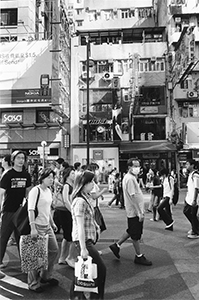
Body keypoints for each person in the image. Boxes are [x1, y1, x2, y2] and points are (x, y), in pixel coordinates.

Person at [70, 170, 106, 300]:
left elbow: (88, 219)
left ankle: (77, 296)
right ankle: (95, 297)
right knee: (100, 269)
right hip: (83, 241)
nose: (93, 184)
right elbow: (79, 225)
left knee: (83, 271)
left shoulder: (85, 197)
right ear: (83, 183)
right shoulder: (80, 201)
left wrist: (96, 227)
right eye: (90, 182)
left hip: (86, 240)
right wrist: (83, 247)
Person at [109, 158, 152, 266]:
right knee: (136, 235)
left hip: (133, 211)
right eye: (135, 166)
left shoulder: (130, 177)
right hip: (134, 211)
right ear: (129, 167)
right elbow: (133, 197)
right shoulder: (130, 179)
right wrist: (139, 212)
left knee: (131, 230)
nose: (138, 168)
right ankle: (138, 256)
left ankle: (116, 245)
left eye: (138, 166)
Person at [27, 168, 59, 293]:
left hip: (47, 226)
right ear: (42, 178)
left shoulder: (49, 190)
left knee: (54, 250)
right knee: (35, 256)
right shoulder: (36, 190)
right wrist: (33, 227)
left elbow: (47, 209)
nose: (51, 180)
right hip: (38, 226)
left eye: (52, 177)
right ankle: (33, 283)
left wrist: (52, 222)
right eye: (48, 177)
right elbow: (30, 210)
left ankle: (45, 276)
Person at [0, 151, 31, 269]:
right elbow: (1, 193)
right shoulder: (8, 174)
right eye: (18, 158)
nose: (21, 160)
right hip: (8, 210)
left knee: (22, 237)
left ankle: (25, 262)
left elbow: (28, 192)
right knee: (4, 237)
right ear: (13, 160)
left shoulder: (26, 175)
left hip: (21, 211)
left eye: (23, 158)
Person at [58, 166, 77, 267]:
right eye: (73, 173)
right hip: (66, 212)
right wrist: (73, 212)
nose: (74, 175)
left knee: (66, 236)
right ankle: (70, 257)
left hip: (66, 212)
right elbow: (66, 200)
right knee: (72, 235)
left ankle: (62, 257)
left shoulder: (72, 185)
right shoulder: (66, 186)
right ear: (68, 175)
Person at [183, 159, 199, 239]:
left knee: (193, 215)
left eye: (187, 164)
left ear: (192, 165)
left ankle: (196, 232)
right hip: (189, 198)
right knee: (187, 212)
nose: (186, 166)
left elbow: (196, 188)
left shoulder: (195, 175)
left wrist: (195, 200)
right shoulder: (190, 174)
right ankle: (195, 227)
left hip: (194, 199)